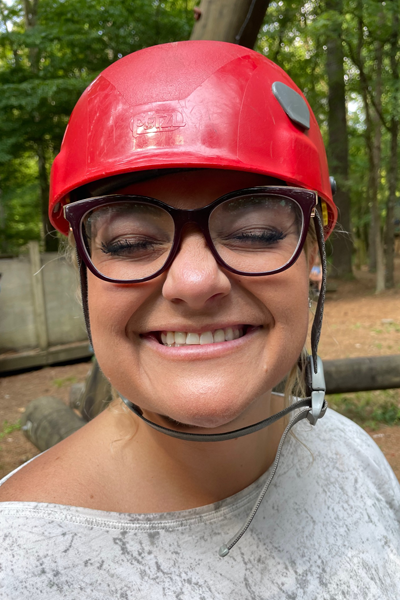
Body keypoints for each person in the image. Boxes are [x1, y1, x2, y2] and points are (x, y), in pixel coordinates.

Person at [1, 41, 399, 599]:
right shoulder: (18, 563)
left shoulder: (351, 451)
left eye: (256, 232)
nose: (193, 281)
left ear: (314, 257)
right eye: (131, 242)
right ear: (85, 275)